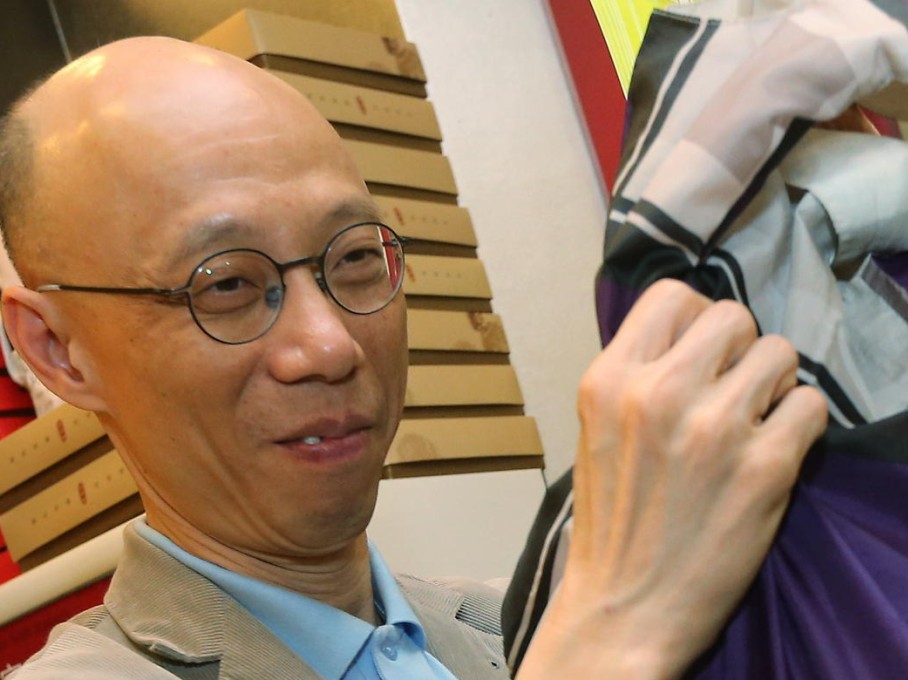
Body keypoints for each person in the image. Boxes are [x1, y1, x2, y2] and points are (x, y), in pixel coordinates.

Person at [0, 37, 827, 679]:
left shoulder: (511, 621)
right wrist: (613, 637)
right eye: (227, 284)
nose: (329, 345)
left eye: (353, 258)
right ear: (57, 350)